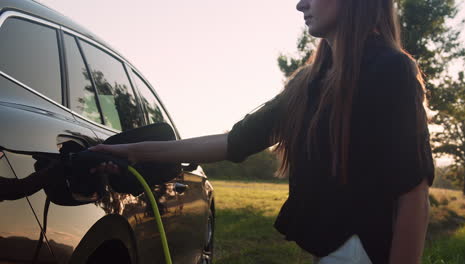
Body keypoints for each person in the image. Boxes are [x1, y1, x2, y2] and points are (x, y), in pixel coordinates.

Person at [89, 0, 435, 263]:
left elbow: (413, 193)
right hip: (331, 250)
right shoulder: (308, 82)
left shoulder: (391, 70)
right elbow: (232, 142)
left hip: (367, 252)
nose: (300, 4)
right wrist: (132, 151)